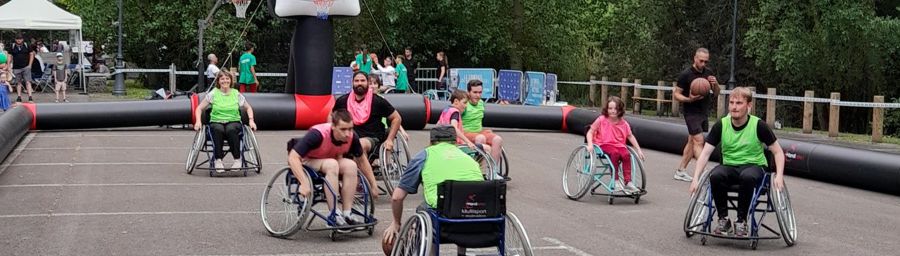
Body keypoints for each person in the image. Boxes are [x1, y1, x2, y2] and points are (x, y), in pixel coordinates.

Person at [688, 87, 785, 237]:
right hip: (730, 166)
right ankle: (723, 220)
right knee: (716, 175)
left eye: (739, 103)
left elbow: (778, 152)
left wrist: (779, 175)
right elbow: (705, 153)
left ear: (749, 106)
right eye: (732, 102)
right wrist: (695, 178)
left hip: (754, 166)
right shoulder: (721, 125)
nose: (734, 106)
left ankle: (741, 221)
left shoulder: (759, 125)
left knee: (747, 177)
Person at [381, 125, 485, 252]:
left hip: (443, 218)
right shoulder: (469, 157)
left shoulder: (424, 155)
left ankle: (428, 250)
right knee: (463, 199)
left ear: (430, 142)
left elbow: (397, 197)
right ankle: (461, 252)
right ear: (456, 142)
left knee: (424, 210)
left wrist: (396, 223)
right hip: (480, 216)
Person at [287, 109, 368, 229]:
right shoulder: (317, 134)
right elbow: (293, 157)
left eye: (350, 129)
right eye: (343, 129)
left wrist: (373, 185)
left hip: (330, 159)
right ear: (333, 126)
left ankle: (347, 212)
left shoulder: (352, 137)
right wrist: (304, 183)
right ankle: (333, 214)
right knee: (332, 164)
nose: (347, 133)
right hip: (308, 161)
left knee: (351, 165)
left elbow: (362, 160)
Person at [332, 71, 403, 193]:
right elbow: (331, 117)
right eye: (357, 81)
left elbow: (397, 118)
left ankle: (360, 183)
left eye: (362, 81)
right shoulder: (342, 101)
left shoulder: (378, 101)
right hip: (348, 137)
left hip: (372, 137)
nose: (359, 83)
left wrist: (390, 139)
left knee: (359, 144)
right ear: (352, 83)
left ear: (368, 83)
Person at [193, 71, 258, 173]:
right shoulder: (213, 93)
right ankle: (218, 160)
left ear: (231, 80)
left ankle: (237, 159)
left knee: (231, 129)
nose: (225, 81)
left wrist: (251, 120)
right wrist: (198, 121)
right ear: (218, 81)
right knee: (218, 129)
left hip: (233, 121)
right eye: (222, 79)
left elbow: (248, 107)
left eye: (227, 78)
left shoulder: (236, 93)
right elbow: (199, 108)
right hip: (216, 121)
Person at [673, 47, 720, 182]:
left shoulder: (709, 73)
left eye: (706, 61)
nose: (704, 64)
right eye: (701, 61)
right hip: (691, 112)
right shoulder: (686, 75)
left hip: (703, 112)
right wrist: (689, 99)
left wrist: (715, 84)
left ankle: (680, 171)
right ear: (695, 58)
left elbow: (717, 93)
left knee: (691, 141)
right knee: (699, 141)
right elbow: (676, 94)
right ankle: (704, 172)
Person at [585, 96, 646, 194]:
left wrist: (638, 150)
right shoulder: (601, 119)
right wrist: (590, 144)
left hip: (619, 145)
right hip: (604, 144)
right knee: (615, 153)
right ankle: (615, 180)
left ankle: (628, 181)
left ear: (620, 110)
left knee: (626, 155)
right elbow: (590, 132)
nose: (613, 111)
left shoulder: (624, 123)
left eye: (616, 109)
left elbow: (630, 136)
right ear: (607, 109)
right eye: (610, 108)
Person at [461, 80, 504, 177]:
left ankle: (493, 172)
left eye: (480, 92)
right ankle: (477, 171)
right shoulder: (464, 104)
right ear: (468, 92)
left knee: (497, 139)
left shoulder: (481, 103)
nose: (478, 95)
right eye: (475, 92)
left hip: (479, 131)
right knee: (481, 138)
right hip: (466, 133)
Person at [10, 34, 34, 102]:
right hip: (16, 67)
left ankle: (30, 97)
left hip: (26, 66)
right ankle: (19, 97)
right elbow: (10, 55)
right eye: (17, 39)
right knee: (18, 82)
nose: (19, 40)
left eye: (20, 39)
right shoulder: (12, 46)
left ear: (22, 39)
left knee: (28, 82)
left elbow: (31, 54)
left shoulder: (27, 45)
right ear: (15, 40)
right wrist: (9, 65)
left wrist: (30, 65)